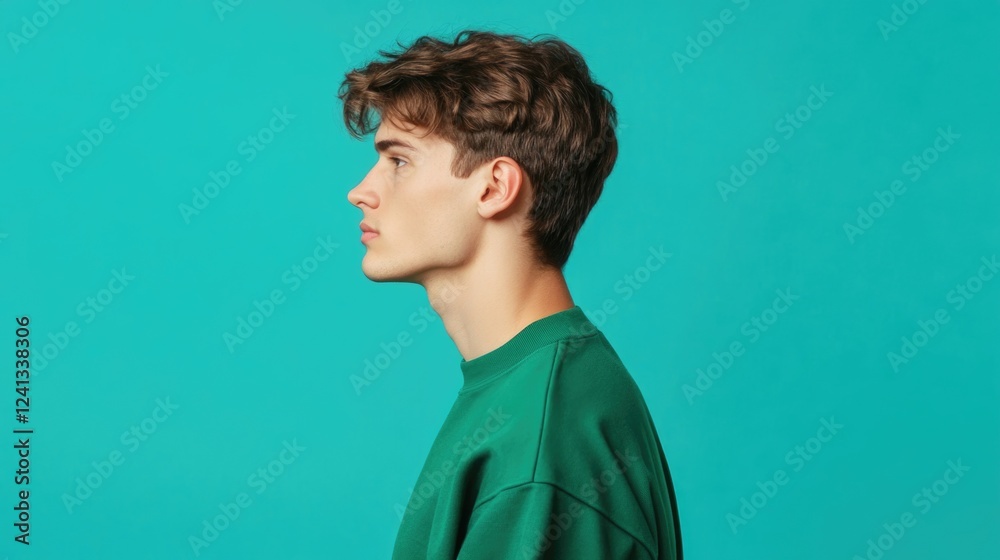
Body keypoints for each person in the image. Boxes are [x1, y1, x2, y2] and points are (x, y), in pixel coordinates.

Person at [339, 29, 682, 560]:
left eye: (399, 161)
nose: (361, 191)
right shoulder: (536, 388)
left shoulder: (541, 440)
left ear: (495, 187)